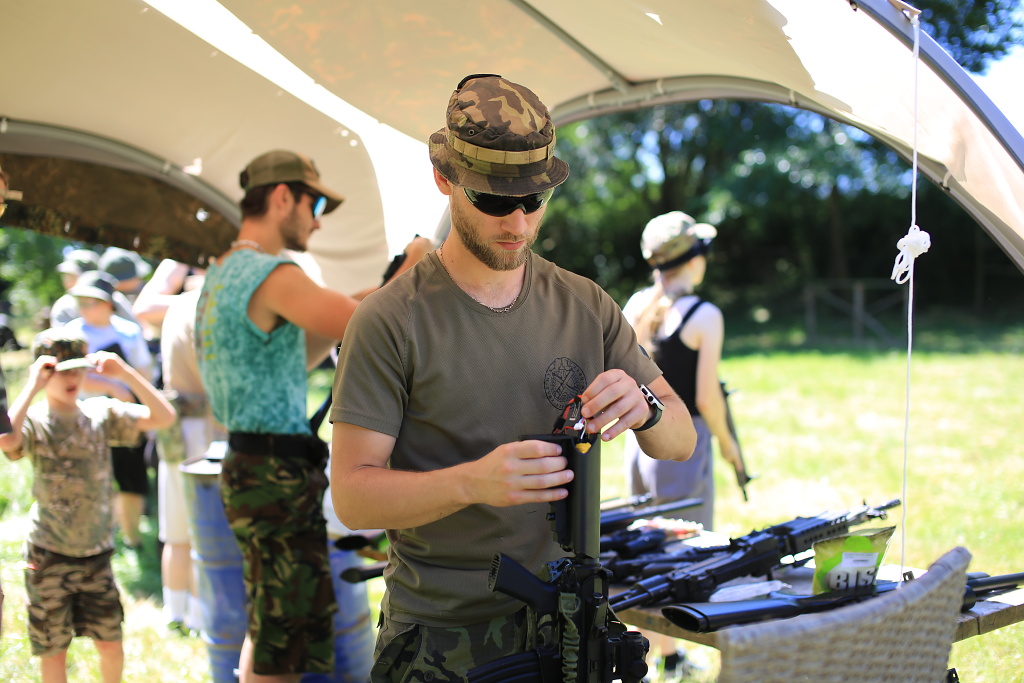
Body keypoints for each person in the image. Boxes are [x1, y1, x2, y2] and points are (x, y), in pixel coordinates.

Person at [329, 74, 698, 681]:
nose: (519, 224)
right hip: (442, 642)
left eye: (534, 202)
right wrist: (474, 482)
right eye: (495, 202)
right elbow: (353, 495)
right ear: (444, 179)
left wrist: (646, 407)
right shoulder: (390, 319)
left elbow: (678, 441)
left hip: (569, 632)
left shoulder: (585, 304)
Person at [196, 149, 431, 683]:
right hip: (273, 475)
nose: (319, 217)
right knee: (287, 636)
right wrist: (416, 266)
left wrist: (386, 281)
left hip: (250, 466)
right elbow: (366, 325)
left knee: (274, 621)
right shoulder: (272, 272)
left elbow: (306, 341)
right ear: (283, 197)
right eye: (315, 201)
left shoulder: (224, 273)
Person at [0, 327, 175, 683]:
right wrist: (31, 385)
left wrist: (125, 373)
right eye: (60, 371)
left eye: (77, 368)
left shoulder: (99, 414)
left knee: (110, 642)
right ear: (42, 372)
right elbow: (8, 439)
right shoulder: (35, 421)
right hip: (49, 555)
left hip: (96, 554)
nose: (72, 378)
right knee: (54, 650)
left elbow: (164, 417)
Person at [621, 210, 744, 681]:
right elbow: (708, 399)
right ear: (695, 259)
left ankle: (657, 655)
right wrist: (731, 450)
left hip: (642, 443)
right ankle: (665, 661)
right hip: (684, 445)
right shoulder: (704, 314)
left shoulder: (636, 305)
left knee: (644, 549)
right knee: (682, 552)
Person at [63, 270, 155, 550]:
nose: (83, 308)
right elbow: (67, 378)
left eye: (90, 301)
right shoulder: (72, 335)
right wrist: (112, 386)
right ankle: (97, 538)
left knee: (131, 480)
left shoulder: (128, 331)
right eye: (80, 302)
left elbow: (142, 370)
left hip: (126, 417)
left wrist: (138, 397)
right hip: (87, 419)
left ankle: (131, 539)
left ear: (107, 303)